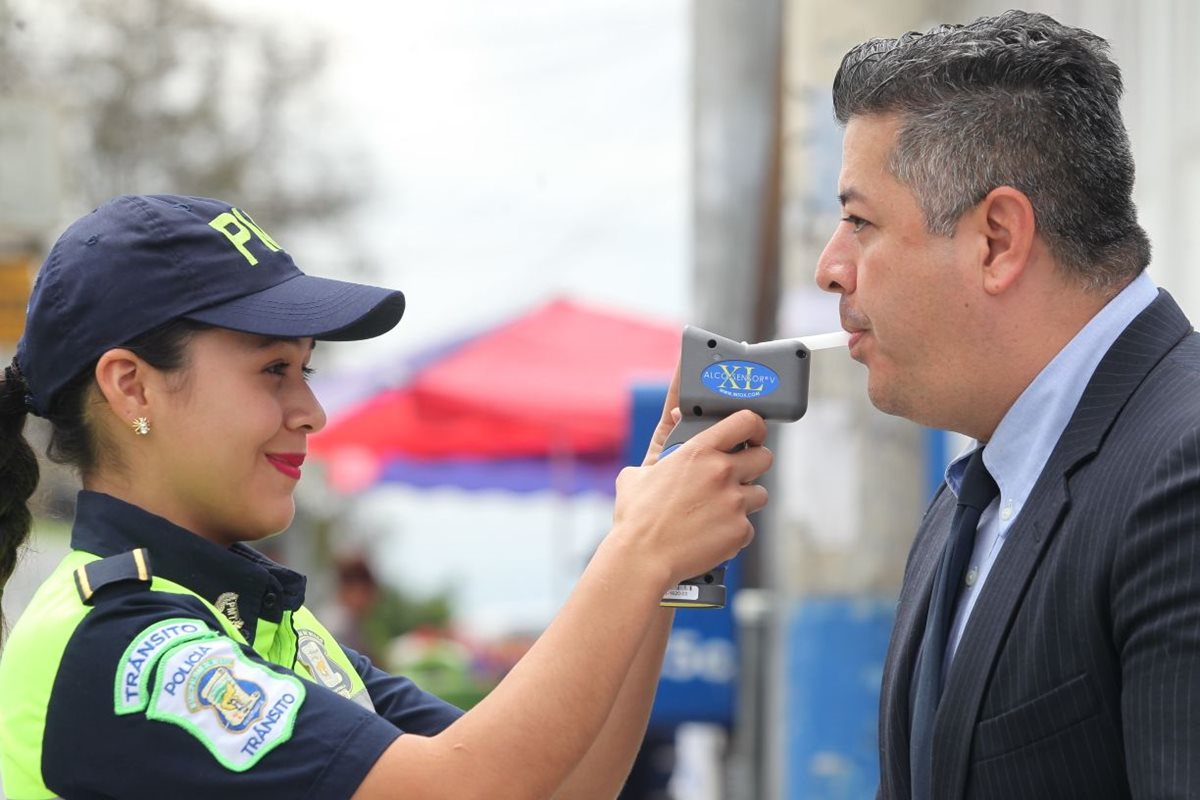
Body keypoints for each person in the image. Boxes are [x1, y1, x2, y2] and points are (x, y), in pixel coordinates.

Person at [0, 194, 773, 799]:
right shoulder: (121, 643)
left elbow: (559, 786)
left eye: (307, 369)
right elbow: (466, 791)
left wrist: (665, 565)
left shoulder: (262, 621)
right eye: (273, 370)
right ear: (131, 385)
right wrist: (637, 552)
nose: (312, 411)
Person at [814, 9, 1200, 799]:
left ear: (996, 239)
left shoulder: (1182, 473)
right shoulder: (974, 497)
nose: (831, 268)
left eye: (859, 221)